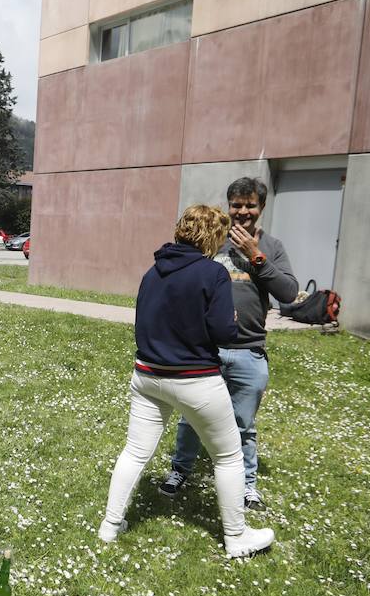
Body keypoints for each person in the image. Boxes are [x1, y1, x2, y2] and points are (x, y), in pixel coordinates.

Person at [99, 204, 275, 558]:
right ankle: (236, 537)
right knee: (228, 458)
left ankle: (110, 526)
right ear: (211, 238)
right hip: (196, 380)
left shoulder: (152, 272)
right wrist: (233, 317)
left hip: (147, 376)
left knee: (135, 452)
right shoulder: (213, 274)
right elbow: (225, 332)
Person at [159, 177, 297, 510]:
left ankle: (248, 485)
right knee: (191, 415)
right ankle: (180, 470)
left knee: (244, 424)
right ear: (228, 206)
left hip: (250, 350)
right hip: (206, 351)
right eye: (237, 205)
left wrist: (256, 256)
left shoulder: (272, 247)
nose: (243, 212)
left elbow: (289, 293)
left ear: (261, 208)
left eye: (250, 205)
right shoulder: (212, 242)